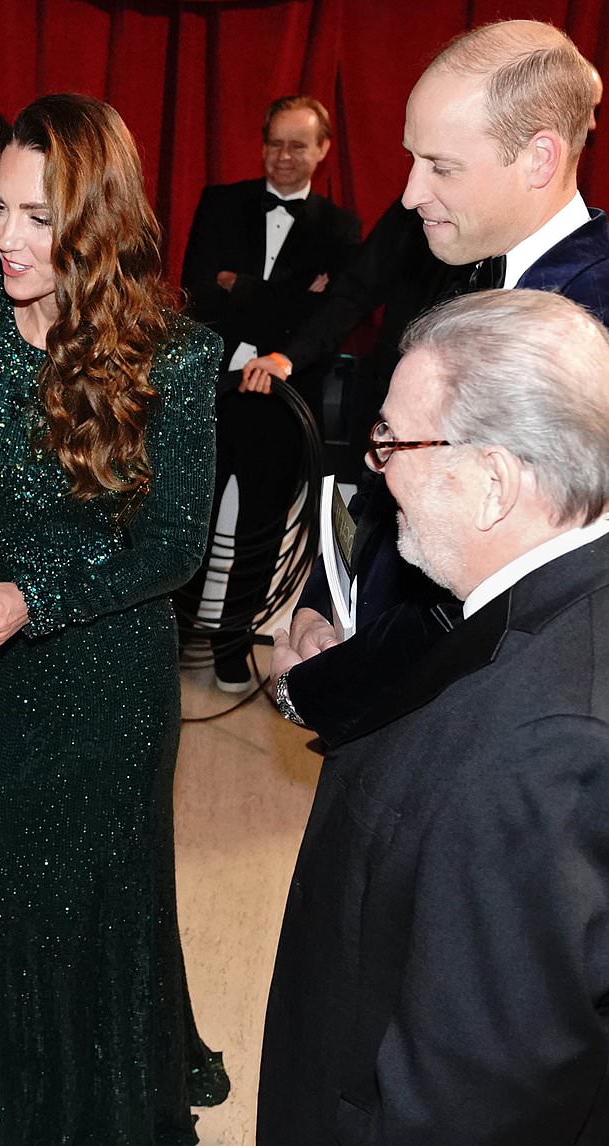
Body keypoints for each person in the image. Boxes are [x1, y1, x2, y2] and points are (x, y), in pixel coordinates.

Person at [0, 93, 227, 1142]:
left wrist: (34, 597)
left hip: (112, 670)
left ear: (96, 222)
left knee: (102, 902)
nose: (6, 235)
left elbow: (172, 547)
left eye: (39, 217)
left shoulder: (178, 355)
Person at [259, 288, 609, 1142]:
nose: (377, 469)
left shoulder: (540, 751)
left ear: (493, 484)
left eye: (394, 441)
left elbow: (472, 1097)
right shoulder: (548, 597)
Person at [271, 19, 609, 742]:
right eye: (411, 159)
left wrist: (320, 689)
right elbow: (393, 463)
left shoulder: (594, 325)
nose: (409, 193)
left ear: (539, 158)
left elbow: (501, 596)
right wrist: (322, 603)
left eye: (441, 167)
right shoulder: (457, 266)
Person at [177, 95, 361, 690]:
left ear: (323, 150)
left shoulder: (340, 227)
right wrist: (292, 296)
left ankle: (232, 646)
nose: (283, 156)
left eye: (297, 145)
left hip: (284, 404)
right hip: (210, 392)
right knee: (189, 518)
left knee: (258, 533)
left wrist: (242, 287)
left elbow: (328, 322)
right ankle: (175, 635)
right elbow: (197, 291)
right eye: (274, 143)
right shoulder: (220, 202)